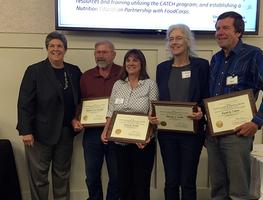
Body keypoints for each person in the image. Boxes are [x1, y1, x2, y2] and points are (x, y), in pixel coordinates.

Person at [207, 11, 263, 200]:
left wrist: (256, 122)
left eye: (225, 28)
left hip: (238, 134)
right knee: (218, 190)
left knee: (239, 192)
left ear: (238, 32)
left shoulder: (253, 55)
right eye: (217, 28)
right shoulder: (215, 59)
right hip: (214, 134)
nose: (219, 32)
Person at [16, 31, 82, 200]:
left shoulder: (74, 71)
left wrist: (77, 118)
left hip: (66, 133)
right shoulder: (34, 71)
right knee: (39, 178)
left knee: (62, 176)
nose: (55, 49)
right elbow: (24, 103)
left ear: (65, 49)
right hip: (39, 134)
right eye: (52, 46)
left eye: (59, 46)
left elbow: (80, 101)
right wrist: (26, 130)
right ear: (47, 48)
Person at [154, 24, 210, 200]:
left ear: (187, 41)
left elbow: (206, 94)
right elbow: (159, 99)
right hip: (167, 132)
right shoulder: (162, 68)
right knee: (171, 181)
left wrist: (201, 110)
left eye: (178, 38)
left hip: (192, 132)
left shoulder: (201, 65)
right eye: (171, 39)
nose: (174, 42)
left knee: (187, 181)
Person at [101, 49, 158, 200]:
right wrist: (105, 131)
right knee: (123, 185)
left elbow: (152, 113)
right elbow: (111, 110)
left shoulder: (150, 85)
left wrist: (146, 136)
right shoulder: (118, 85)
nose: (131, 63)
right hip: (120, 144)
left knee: (140, 186)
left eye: (135, 60)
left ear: (141, 64)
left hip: (143, 144)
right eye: (128, 60)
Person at [72, 40, 121, 200]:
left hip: (116, 132)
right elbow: (80, 103)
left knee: (116, 176)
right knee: (92, 175)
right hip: (92, 134)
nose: (101, 55)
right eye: (98, 52)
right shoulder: (86, 76)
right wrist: (76, 119)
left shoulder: (123, 74)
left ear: (113, 54)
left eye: (105, 52)